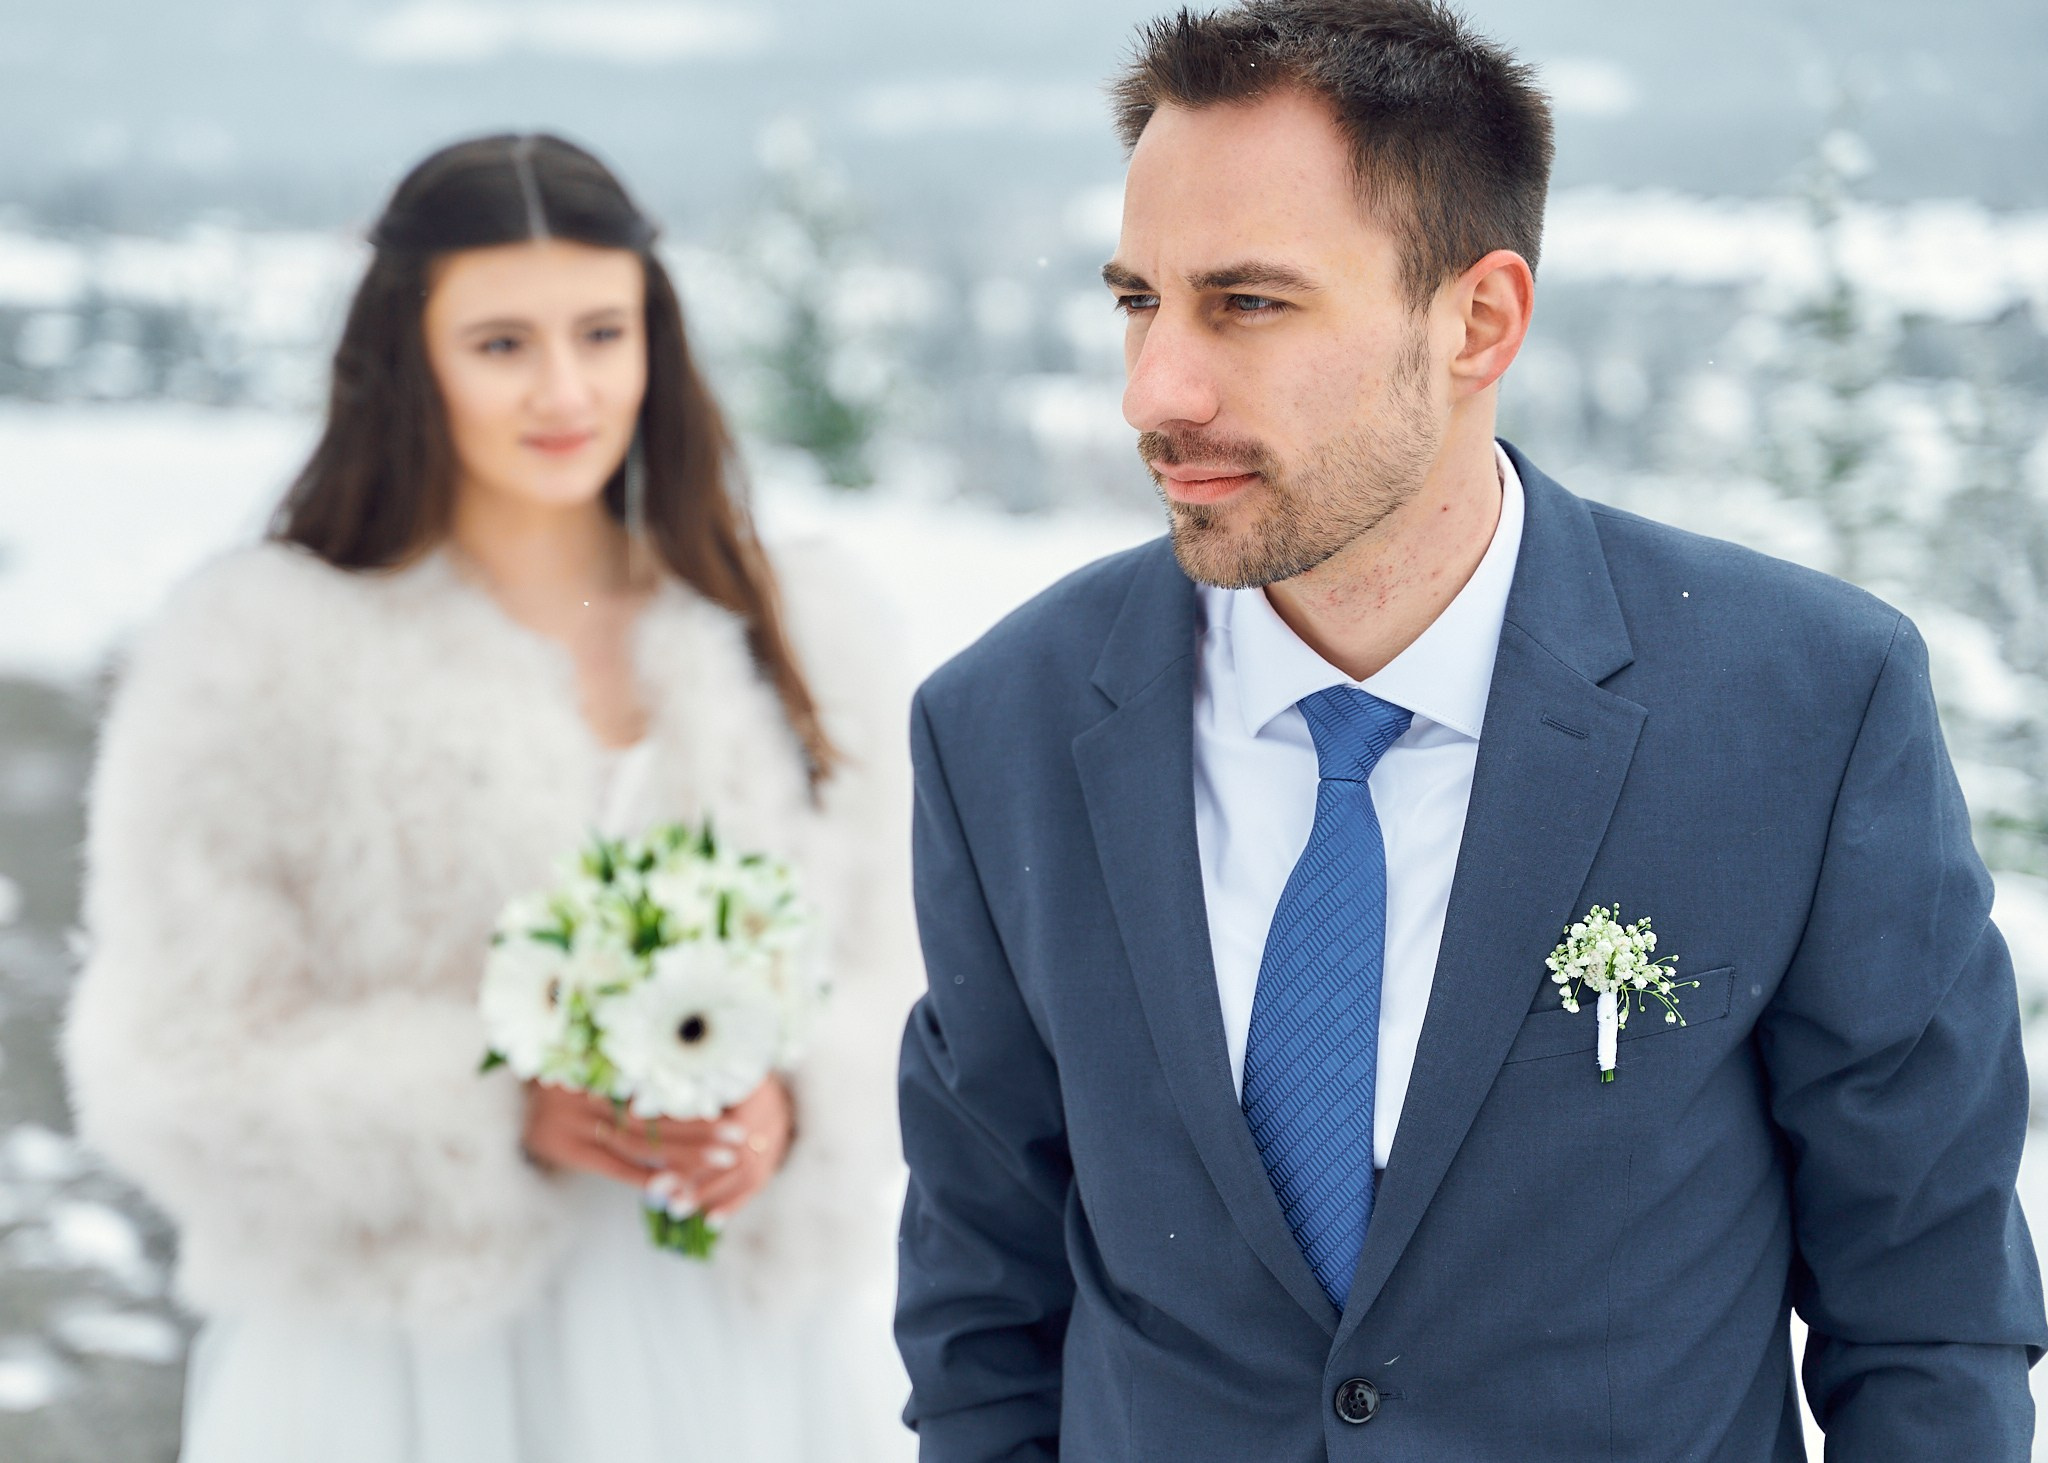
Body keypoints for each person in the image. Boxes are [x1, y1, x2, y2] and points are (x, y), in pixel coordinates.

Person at [892, 3, 2047, 1458]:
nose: (1155, 391)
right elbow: (980, 1302)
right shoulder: (1001, 726)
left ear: (1479, 319)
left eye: (1248, 303)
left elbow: (1929, 1305)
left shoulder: (1805, 705)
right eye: (1139, 300)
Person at [64, 133, 916, 1463]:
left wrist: (793, 1106)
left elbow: (903, 982)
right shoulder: (257, 653)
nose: (565, 388)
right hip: (409, 1367)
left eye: (601, 331)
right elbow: (168, 1061)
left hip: (748, 1357)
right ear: (412, 357)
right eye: (503, 343)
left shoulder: (799, 628)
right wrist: (488, 1108)